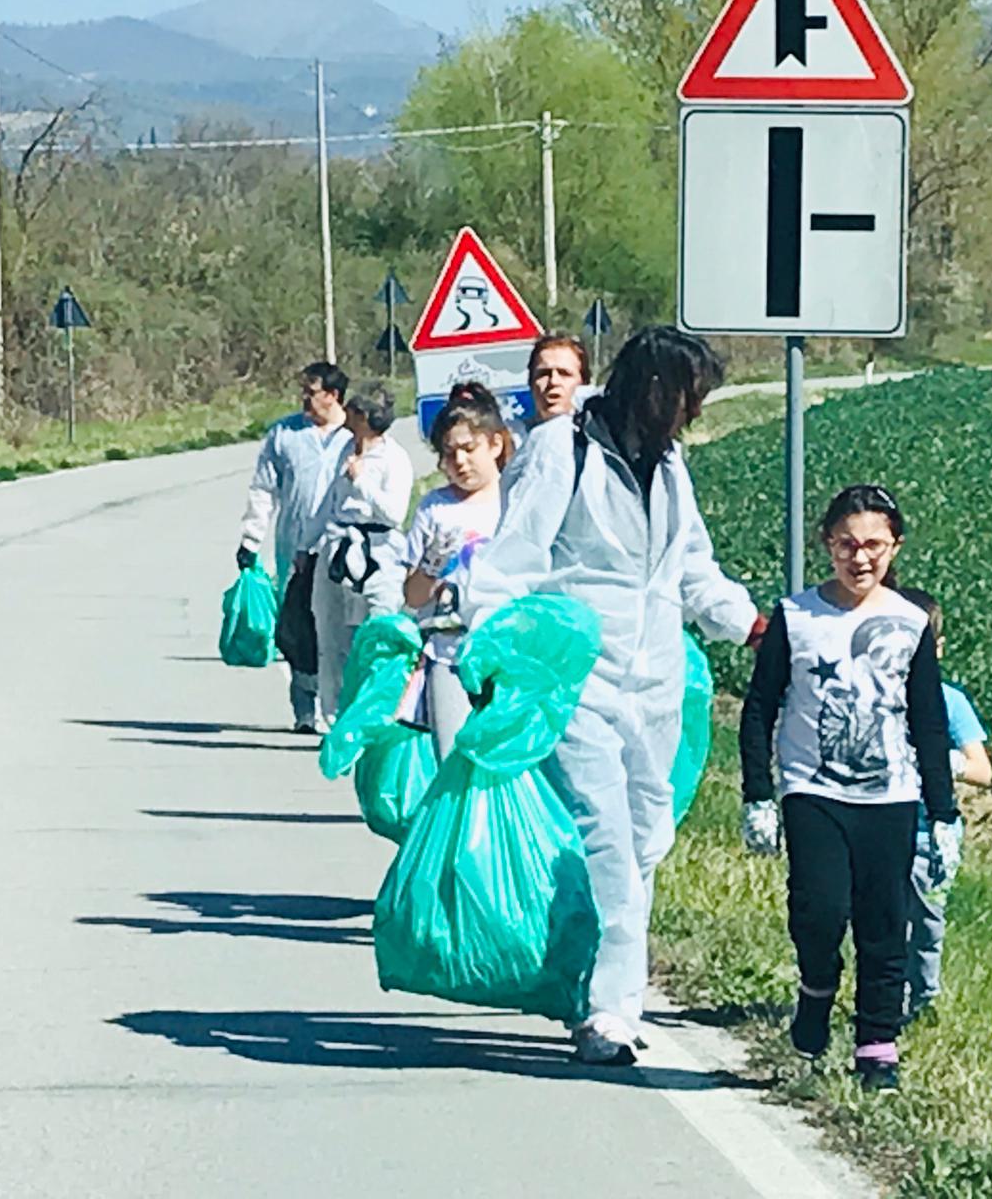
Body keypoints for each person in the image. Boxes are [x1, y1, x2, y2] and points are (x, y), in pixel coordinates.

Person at [461, 326, 762, 1066]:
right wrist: (490, 657)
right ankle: (610, 1013)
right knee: (607, 841)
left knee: (646, 841)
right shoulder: (563, 449)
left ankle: (595, 987)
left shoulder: (671, 464)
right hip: (579, 678)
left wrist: (751, 625)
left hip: (655, 678)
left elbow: (692, 567)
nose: (693, 415)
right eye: (688, 399)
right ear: (656, 390)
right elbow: (511, 561)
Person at [738, 484, 958, 1094]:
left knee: (885, 924)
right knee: (819, 910)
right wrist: (759, 793)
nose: (859, 559)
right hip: (813, 790)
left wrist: (944, 813)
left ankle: (876, 1046)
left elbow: (928, 719)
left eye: (873, 546)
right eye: (846, 545)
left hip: (890, 795)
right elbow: (760, 706)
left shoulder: (911, 623)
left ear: (895, 548)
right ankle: (816, 988)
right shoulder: (796, 616)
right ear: (826, 545)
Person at [236, 362, 353, 733]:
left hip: (340, 551)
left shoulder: (354, 435)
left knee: (334, 628)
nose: (304, 398)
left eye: (312, 391)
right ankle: (305, 707)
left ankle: (335, 707)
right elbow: (264, 489)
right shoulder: (285, 434)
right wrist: (251, 538)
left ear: (333, 396)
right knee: (296, 630)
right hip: (295, 549)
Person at [401, 386, 512, 759]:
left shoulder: (517, 501)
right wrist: (432, 563)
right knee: (451, 757)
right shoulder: (435, 508)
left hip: (506, 651)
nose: (460, 462)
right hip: (447, 652)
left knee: (502, 758)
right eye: (449, 454)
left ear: (495, 445)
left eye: (469, 449)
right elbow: (413, 597)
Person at [896, 587, 991, 1023]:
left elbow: (981, 769)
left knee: (929, 922)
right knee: (886, 921)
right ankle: (886, 1002)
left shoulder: (950, 703)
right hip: (883, 826)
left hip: (931, 837)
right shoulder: (880, 694)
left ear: (938, 649)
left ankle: (924, 999)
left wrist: (942, 759)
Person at [306, 386, 414, 721]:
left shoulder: (394, 458)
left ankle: (378, 711)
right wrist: (306, 545)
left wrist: (362, 481)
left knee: (377, 635)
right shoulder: (346, 450)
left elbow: (394, 514)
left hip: (379, 554)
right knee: (331, 634)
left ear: (365, 418)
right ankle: (334, 714)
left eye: (353, 414)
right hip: (338, 546)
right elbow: (329, 502)